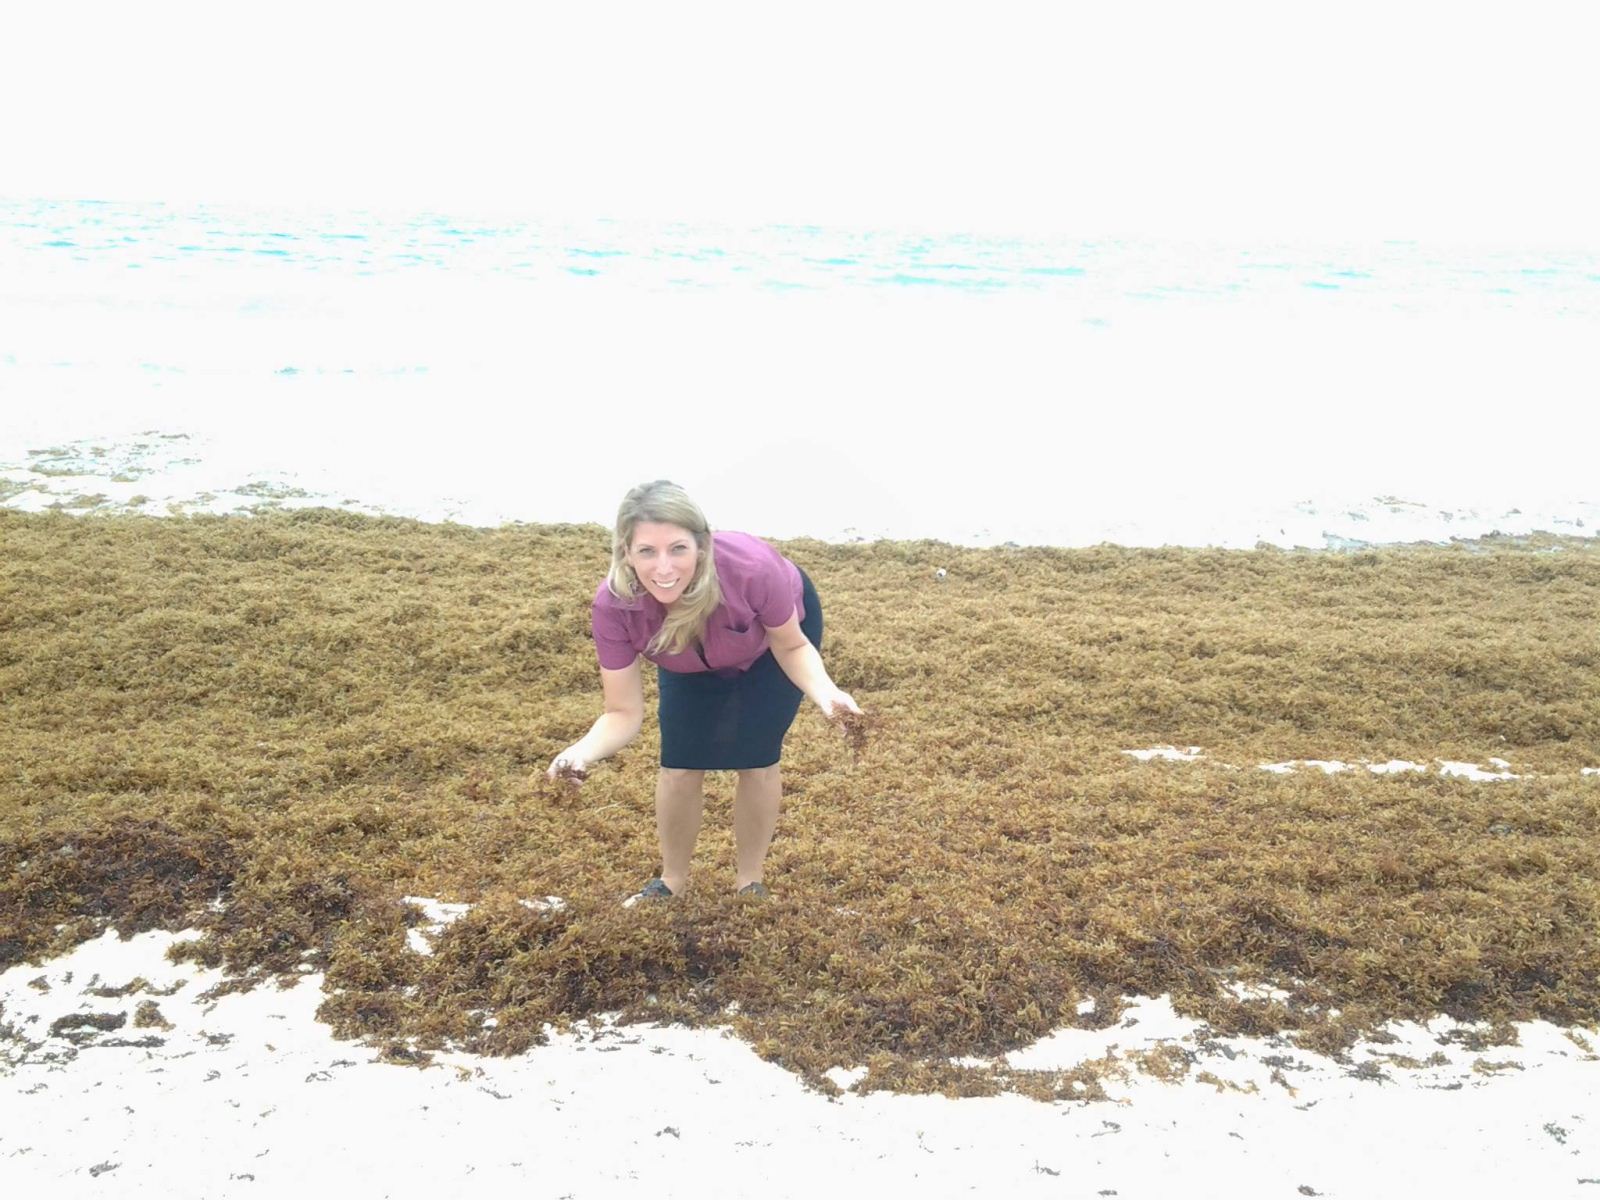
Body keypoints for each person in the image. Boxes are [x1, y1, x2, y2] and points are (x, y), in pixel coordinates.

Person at [548, 479, 862, 902]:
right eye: (647, 551)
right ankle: (671, 882)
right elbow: (622, 712)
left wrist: (828, 695)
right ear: (626, 553)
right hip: (686, 657)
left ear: (702, 544)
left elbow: (791, 645)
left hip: (774, 641)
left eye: (678, 548)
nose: (664, 568)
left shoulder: (752, 569)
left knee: (758, 758)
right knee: (679, 763)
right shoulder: (614, 607)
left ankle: (749, 881)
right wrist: (579, 753)